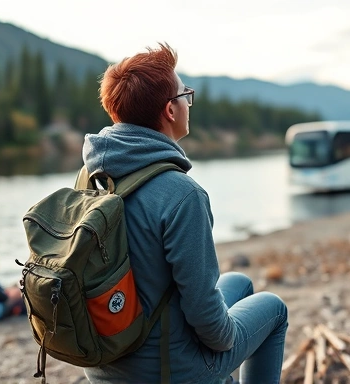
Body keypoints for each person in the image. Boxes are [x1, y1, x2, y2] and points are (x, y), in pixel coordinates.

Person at [82, 43, 288, 384]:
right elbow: (207, 319)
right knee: (273, 309)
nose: (188, 103)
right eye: (185, 96)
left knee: (239, 282)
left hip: (105, 363)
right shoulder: (181, 194)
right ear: (170, 111)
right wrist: (232, 341)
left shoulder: (90, 179)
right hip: (167, 371)